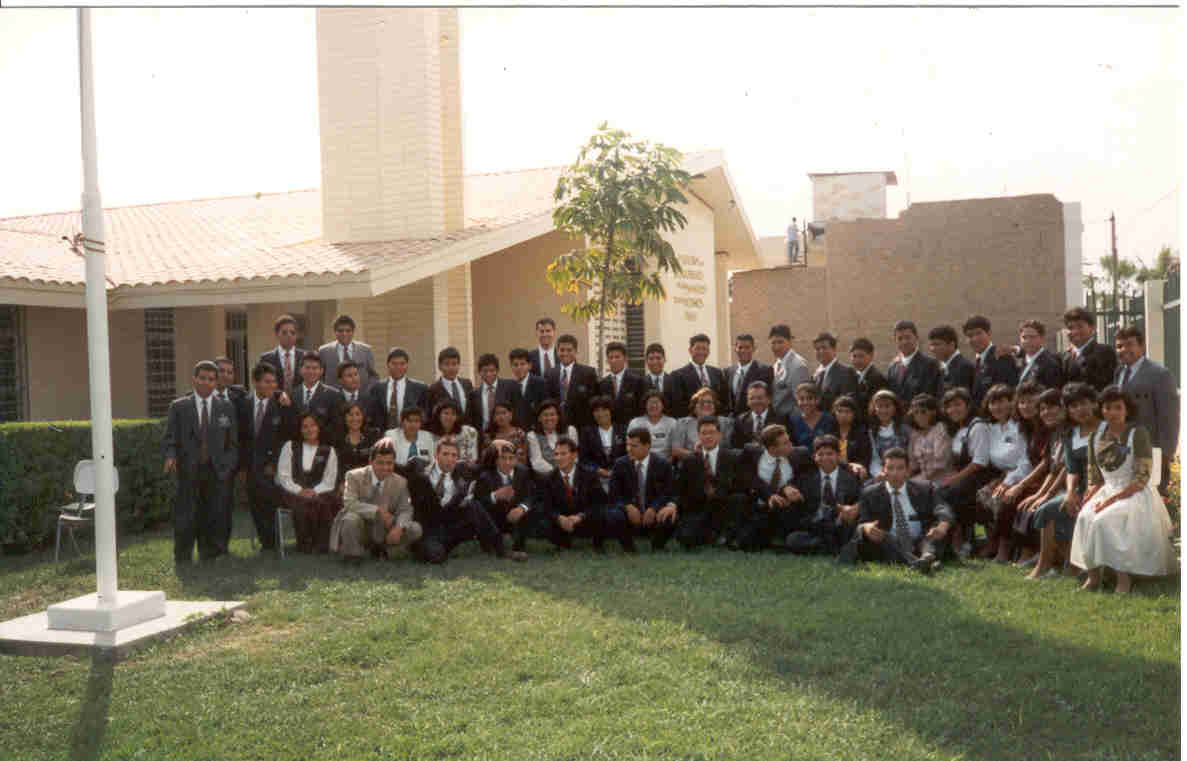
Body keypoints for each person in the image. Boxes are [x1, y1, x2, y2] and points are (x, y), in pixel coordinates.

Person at [1069, 386, 1178, 593]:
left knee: (1104, 520)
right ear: (1101, 410)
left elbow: (1141, 478)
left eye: (1118, 407)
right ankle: (1093, 577)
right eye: (1108, 408)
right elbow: (1095, 477)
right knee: (1084, 517)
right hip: (1106, 490)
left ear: (1127, 410)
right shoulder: (1095, 437)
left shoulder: (1138, 434)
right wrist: (1088, 496)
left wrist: (1109, 502)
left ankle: (1124, 580)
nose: (1112, 412)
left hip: (1134, 493)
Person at [163, 360, 239, 566]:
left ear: (216, 382)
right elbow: (170, 438)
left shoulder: (226, 407)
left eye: (211, 379)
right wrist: (170, 456)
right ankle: (183, 556)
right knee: (186, 514)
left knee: (213, 513)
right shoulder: (179, 406)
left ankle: (211, 554)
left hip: (217, 471)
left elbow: (232, 443)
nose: (206, 383)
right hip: (189, 469)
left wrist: (227, 466)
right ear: (194, 379)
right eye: (202, 378)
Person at [1026, 383, 1098, 580]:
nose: (1080, 410)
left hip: (1104, 488)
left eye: (1083, 403)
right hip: (1080, 488)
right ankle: (1047, 564)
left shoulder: (1105, 429)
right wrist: (1070, 492)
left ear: (1094, 403)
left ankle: (1077, 566)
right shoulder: (1070, 435)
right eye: (1074, 406)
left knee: (1068, 511)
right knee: (1046, 510)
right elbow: (1071, 469)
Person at [840, 448, 954, 572]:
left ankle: (926, 556)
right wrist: (867, 527)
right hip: (890, 544)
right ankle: (923, 562)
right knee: (884, 538)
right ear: (883, 470)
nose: (895, 473)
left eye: (900, 468)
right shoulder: (870, 493)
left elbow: (942, 507)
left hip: (923, 539)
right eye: (890, 468)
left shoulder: (925, 488)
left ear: (907, 470)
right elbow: (862, 522)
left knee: (934, 533)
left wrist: (943, 525)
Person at [408, 437, 507, 564]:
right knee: (436, 556)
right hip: (428, 529)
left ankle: (500, 548)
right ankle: (428, 548)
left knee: (473, 505)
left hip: (450, 526)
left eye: (454, 455)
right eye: (445, 454)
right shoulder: (420, 469)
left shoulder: (463, 469)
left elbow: (484, 466)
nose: (450, 459)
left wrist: (495, 447)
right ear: (436, 454)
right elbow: (397, 469)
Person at [659, 417, 748, 550]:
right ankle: (710, 535)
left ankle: (728, 535)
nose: (708, 436)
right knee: (686, 538)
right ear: (699, 436)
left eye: (712, 432)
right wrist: (672, 505)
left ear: (719, 435)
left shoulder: (732, 457)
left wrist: (720, 490)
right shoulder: (690, 460)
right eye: (704, 433)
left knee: (739, 498)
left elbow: (739, 485)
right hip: (699, 509)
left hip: (724, 506)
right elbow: (679, 488)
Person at [329, 438, 421, 565]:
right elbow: (349, 503)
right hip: (361, 527)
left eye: (389, 463)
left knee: (415, 528)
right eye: (380, 463)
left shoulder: (401, 482)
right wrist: (378, 510)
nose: (385, 467)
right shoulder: (354, 476)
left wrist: (399, 527)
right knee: (350, 518)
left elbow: (406, 509)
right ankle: (353, 555)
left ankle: (385, 551)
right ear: (370, 461)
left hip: (384, 529)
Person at [236, 362, 294, 553]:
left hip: (271, 465)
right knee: (255, 504)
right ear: (255, 382)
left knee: (270, 502)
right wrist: (242, 467)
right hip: (250, 465)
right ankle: (266, 543)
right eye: (267, 382)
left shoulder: (281, 404)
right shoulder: (243, 404)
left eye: (274, 382)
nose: (272, 386)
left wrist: (274, 463)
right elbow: (240, 438)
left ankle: (273, 542)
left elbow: (286, 438)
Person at [1113, 325, 1179, 493]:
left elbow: (1169, 419)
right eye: (1119, 346)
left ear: (1142, 346)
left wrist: (1165, 454)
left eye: (1129, 344)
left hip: (1151, 450)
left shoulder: (1160, 374)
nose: (1124, 349)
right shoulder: (1119, 372)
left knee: (1151, 497)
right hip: (1125, 451)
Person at [935, 387, 996, 559]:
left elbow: (979, 462)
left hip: (980, 476)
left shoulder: (978, 426)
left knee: (953, 495)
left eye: (957, 404)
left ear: (968, 405)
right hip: (966, 476)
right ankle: (957, 539)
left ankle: (973, 541)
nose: (953, 409)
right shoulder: (959, 428)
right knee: (939, 493)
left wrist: (953, 479)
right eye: (949, 406)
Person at [975, 384, 1034, 559]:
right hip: (1000, 474)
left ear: (1011, 403)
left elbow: (1025, 461)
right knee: (980, 497)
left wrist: (1008, 481)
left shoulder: (1019, 427)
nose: (997, 407)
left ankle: (1004, 548)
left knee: (1003, 501)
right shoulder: (991, 429)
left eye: (1001, 401)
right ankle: (989, 541)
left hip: (1021, 475)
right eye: (993, 403)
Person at [1012, 388, 1068, 568]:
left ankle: (1049, 559)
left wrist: (1045, 495)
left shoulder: (1069, 433)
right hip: (1056, 484)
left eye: (1051, 407)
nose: (1046, 412)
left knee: (1041, 507)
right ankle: (1034, 553)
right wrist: (1038, 495)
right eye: (1042, 409)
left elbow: (1065, 470)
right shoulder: (1054, 433)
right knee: (1027, 503)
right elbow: (1052, 469)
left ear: (1063, 408)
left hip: (1071, 487)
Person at [784, 434, 862, 555]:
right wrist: (787, 488)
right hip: (815, 526)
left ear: (839, 456)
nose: (825, 458)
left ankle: (827, 546)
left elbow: (861, 499)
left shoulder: (851, 477)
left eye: (830, 454)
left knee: (852, 532)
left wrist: (851, 509)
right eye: (820, 454)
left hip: (840, 525)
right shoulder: (805, 478)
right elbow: (791, 487)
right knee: (792, 540)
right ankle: (831, 546)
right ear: (814, 457)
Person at [734, 423, 806, 552]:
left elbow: (809, 474)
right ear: (772, 448)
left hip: (784, 507)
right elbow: (747, 477)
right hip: (758, 504)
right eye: (785, 443)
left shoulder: (799, 455)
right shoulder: (751, 452)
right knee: (747, 543)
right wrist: (769, 495)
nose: (791, 445)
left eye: (789, 440)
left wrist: (788, 487)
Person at [276, 412, 340, 554]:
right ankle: (304, 544)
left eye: (313, 425)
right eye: (305, 426)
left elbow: (329, 480)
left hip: (320, 492)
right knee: (302, 504)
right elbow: (283, 476)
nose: (309, 429)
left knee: (322, 503)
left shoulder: (329, 451)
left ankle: (322, 544)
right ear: (300, 430)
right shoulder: (290, 446)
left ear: (319, 427)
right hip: (292, 492)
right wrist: (299, 490)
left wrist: (314, 491)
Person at [607, 427, 678, 552]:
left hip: (653, 513)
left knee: (669, 515)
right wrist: (627, 506)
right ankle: (628, 548)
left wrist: (654, 508)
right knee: (614, 514)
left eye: (634, 446)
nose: (629, 449)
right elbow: (613, 494)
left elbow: (669, 492)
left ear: (647, 446)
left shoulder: (663, 464)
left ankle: (658, 546)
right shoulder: (620, 464)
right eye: (628, 445)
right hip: (629, 514)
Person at [540, 437, 609, 550]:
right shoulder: (549, 478)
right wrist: (559, 518)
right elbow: (546, 506)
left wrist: (580, 516)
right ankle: (562, 541)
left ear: (574, 455)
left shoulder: (589, 475)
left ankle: (597, 544)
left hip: (584, 518)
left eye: (563, 454)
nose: (559, 458)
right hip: (562, 521)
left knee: (602, 513)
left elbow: (599, 502)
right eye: (556, 454)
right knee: (544, 522)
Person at [473, 441, 534, 560]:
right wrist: (494, 496)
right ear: (496, 460)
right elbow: (478, 502)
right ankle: (497, 545)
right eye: (503, 458)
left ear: (516, 459)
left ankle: (518, 545)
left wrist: (522, 508)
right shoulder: (485, 476)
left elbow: (530, 495)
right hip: (495, 518)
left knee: (530, 510)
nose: (507, 462)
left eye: (511, 458)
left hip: (516, 516)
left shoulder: (523, 472)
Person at [366, 347, 429, 433]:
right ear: (388, 365)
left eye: (402, 364)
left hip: (410, 435)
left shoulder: (420, 389)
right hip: (383, 437)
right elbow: (372, 416)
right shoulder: (376, 388)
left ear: (407, 365)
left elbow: (424, 417)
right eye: (394, 364)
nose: (398, 367)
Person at [964, 315, 1020, 409]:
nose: (974, 339)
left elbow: (1009, 391)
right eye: (970, 336)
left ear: (989, 333)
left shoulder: (1001, 357)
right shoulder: (976, 363)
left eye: (978, 333)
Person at [544, 333, 599, 429]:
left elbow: (594, 403)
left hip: (581, 426)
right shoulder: (549, 374)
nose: (565, 353)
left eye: (569, 350)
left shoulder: (588, 373)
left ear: (576, 351)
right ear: (557, 351)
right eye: (562, 350)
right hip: (556, 426)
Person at [292, 353, 346, 447]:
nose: (311, 371)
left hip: (324, 447)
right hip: (298, 448)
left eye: (315, 368)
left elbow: (337, 427)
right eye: (307, 367)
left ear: (321, 371)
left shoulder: (334, 395)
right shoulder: (292, 394)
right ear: (300, 370)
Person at [672, 333, 730, 418]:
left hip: (715, 421)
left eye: (704, 349)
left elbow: (724, 400)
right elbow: (678, 405)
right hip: (692, 421)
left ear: (708, 351)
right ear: (690, 350)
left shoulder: (717, 373)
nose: (701, 352)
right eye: (698, 348)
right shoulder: (678, 375)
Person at [671, 387, 735, 463]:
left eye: (709, 402)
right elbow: (676, 450)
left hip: (720, 463)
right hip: (691, 464)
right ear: (694, 406)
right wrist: (699, 457)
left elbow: (730, 448)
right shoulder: (683, 423)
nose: (706, 404)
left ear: (715, 406)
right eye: (701, 402)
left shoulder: (726, 422)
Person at [1062, 306, 1117, 391]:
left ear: (1092, 328)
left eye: (1080, 326)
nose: (1075, 331)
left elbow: (1108, 386)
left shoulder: (1104, 352)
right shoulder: (1065, 357)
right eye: (1070, 328)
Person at [318, 314, 377, 394]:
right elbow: (319, 377)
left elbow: (373, 376)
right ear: (335, 332)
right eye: (340, 331)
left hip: (360, 397)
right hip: (333, 398)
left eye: (348, 331)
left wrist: (366, 393)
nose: (344, 334)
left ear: (353, 332)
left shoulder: (365, 350)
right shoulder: (324, 351)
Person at [579, 395, 627, 495]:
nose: (600, 414)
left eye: (604, 409)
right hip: (595, 481)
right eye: (596, 410)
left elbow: (628, 455)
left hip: (621, 478)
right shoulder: (587, 433)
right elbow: (583, 460)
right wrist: (598, 470)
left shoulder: (623, 430)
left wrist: (616, 470)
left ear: (610, 411)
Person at [886, 320, 942, 404]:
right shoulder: (892, 368)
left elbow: (933, 396)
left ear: (916, 338)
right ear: (895, 341)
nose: (904, 342)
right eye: (900, 339)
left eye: (907, 337)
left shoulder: (930, 364)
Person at [468, 353, 524, 434]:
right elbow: (472, 420)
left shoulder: (511, 386)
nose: (488, 374)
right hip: (483, 437)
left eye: (492, 370)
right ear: (479, 372)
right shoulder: (473, 394)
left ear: (497, 371)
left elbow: (519, 412)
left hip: (508, 435)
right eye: (485, 371)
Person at [906, 394, 953, 487]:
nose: (919, 416)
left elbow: (940, 465)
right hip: (923, 478)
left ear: (933, 412)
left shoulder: (940, 429)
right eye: (915, 412)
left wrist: (920, 481)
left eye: (923, 412)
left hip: (942, 479)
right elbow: (913, 464)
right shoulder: (915, 435)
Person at [866, 389, 911, 482]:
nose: (884, 410)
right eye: (880, 406)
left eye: (887, 406)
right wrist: (880, 473)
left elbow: (911, 455)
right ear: (874, 409)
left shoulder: (905, 429)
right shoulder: (872, 432)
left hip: (904, 473)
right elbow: (874, 459)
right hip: (883, 474)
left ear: (894, 408)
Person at [527, 399, 579, 479]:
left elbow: (575, 457)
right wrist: (558, 474)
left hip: (571, 475)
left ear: (558, 416)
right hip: (546, 478)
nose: (549, 418)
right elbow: (537, 462)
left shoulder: (570, 430)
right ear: (539, 418)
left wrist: (568, 473)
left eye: (552, 414)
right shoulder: (532, 435)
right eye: (545, 415)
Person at [599, 341, 648, 425]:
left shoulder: (637, 381)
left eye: (617, 357)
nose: (614, 360)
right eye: (610, 357)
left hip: (632, 428)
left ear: (625, 358)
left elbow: (642, 409)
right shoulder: (602, 384)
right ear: (607, 360)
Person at [725, 333, 774, 416]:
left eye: (747, 347)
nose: (743, 351)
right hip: (732, 419)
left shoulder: (764, 370)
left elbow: (768, 399)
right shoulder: (728, 372)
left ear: (754, 349)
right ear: (735, 349)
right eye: (740, 347)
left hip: (753, 419)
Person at [769, 324, 811, 419]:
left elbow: (802, 402)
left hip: (790, 420)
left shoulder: (798, 366)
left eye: (780, 342)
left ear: (790, 342)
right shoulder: (777, 363)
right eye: (773, 343)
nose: (776, 347)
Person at [730, 381, 787, 451]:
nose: (755, 401)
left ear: (769, 399)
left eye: (760, 398)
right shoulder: (740, 420)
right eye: (751, 398)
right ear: (747, 401)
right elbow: (735, 447)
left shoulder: (781, 419)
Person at [427, 347, 475, 427]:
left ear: (459, 365)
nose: (451, 368)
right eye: (447, 364)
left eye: (454, 364)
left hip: (466, 430)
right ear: (440, 366)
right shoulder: (433, 389)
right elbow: (431, 416)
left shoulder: (467, 384)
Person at [811, 332, 858, 414]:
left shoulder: (846, 372)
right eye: (817, 349)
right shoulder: (816, 375)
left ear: (834, 349)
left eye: (824, 348)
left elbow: (847, 403)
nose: (821, 351)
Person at [336, 402, 380, 488]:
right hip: (344, 485)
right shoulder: (337, 440)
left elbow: (376, 465)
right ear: (344, 417)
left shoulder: (373, 438)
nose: (354, 418)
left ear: (363, 416)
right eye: (350, 415)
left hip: (368, 484)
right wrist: (341, 484)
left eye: (357, 414)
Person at [627, 389, 680, 461]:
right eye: (650, 403)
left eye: (657, 402)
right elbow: (630, 448)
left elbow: (675, 450)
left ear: (663, 405)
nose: (654, 406)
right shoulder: (635, 423)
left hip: (665, 463)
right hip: (640, 462)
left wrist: (665, 465)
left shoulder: (672, 423)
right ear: (645, 405)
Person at [258, 314, 305, 393]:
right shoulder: (266, 359)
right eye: (284, 332)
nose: (289, 335)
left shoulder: (304, 356)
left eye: (292, 332)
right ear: (277, 334)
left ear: (297, 335)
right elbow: (263, 384)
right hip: (275, 400)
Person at [385, 406, 436, 475]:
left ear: (421, 423)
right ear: (402, 422)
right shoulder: (391, 436)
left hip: (424, 476)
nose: (413, 425)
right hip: (398, 474)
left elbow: (433, 461)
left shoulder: (427, 436)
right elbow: (389, 461)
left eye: (416, 421)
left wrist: (426, 473)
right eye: (409, 421)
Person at [849, 337, 888, 426]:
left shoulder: (878, 379)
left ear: (871, 356)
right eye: (854, 356)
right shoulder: (852, 376)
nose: (857, 360)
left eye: (861, 356)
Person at [509, 347, 550, 431]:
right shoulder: (509, 386)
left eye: (522, 364)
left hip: (537, 430)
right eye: (515, 365)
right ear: (511, 367)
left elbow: (546, 410)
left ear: (530, 365)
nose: (519, 368)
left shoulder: (541, 384)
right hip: (517, 432)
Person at [427, 398, 480, 465]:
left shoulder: (469, 432)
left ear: (457, 416)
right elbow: (429, 460)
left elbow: (472, 459)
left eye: (453, 414)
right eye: (446, 413)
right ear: (438, 415)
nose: (449, 417)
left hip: (463, 469)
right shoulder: (429, 435)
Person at [1016, 319, 1064, 389]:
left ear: (1042, 338)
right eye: (1024, 337)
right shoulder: (1019, 360)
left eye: (1032, 337)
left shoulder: (1050, 363)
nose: (1028, 341)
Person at [831, 395, 871, 478]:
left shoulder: (861, 433)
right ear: (834, 413)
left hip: (854, 472)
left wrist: (858, 467)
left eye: (848, 412)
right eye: (840, 411)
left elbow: (865, 458)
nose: (843, 415)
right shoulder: (829, 432)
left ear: (854, 414)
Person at [927, 325, 974, 395]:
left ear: (951, 345)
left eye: (937, 344)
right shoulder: (940, 367)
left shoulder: (964, 367)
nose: (932, 349)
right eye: (931, 345)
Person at [481, 400, 529, 468]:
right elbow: (484, 458)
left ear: (510, 415)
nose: (501, 416)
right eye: (497, 413)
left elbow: (522, 459)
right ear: (494, 418)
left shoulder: (519, 433)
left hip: (514, 468)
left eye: (504, 413)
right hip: (493, 468)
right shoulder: (488, 435)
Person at [788, 382, 838, 447]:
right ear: (797, 401)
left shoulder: (829, 419)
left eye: (810, 398)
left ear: (818, 400)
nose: (806, 402)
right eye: (801, 399)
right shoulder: (793, 421)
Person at [641, 342, 678, 413]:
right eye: (651, 359)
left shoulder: (674, 381)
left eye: (658, 358)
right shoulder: (640, 383)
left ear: (665, 359)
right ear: (646, 361)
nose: (655, 362)